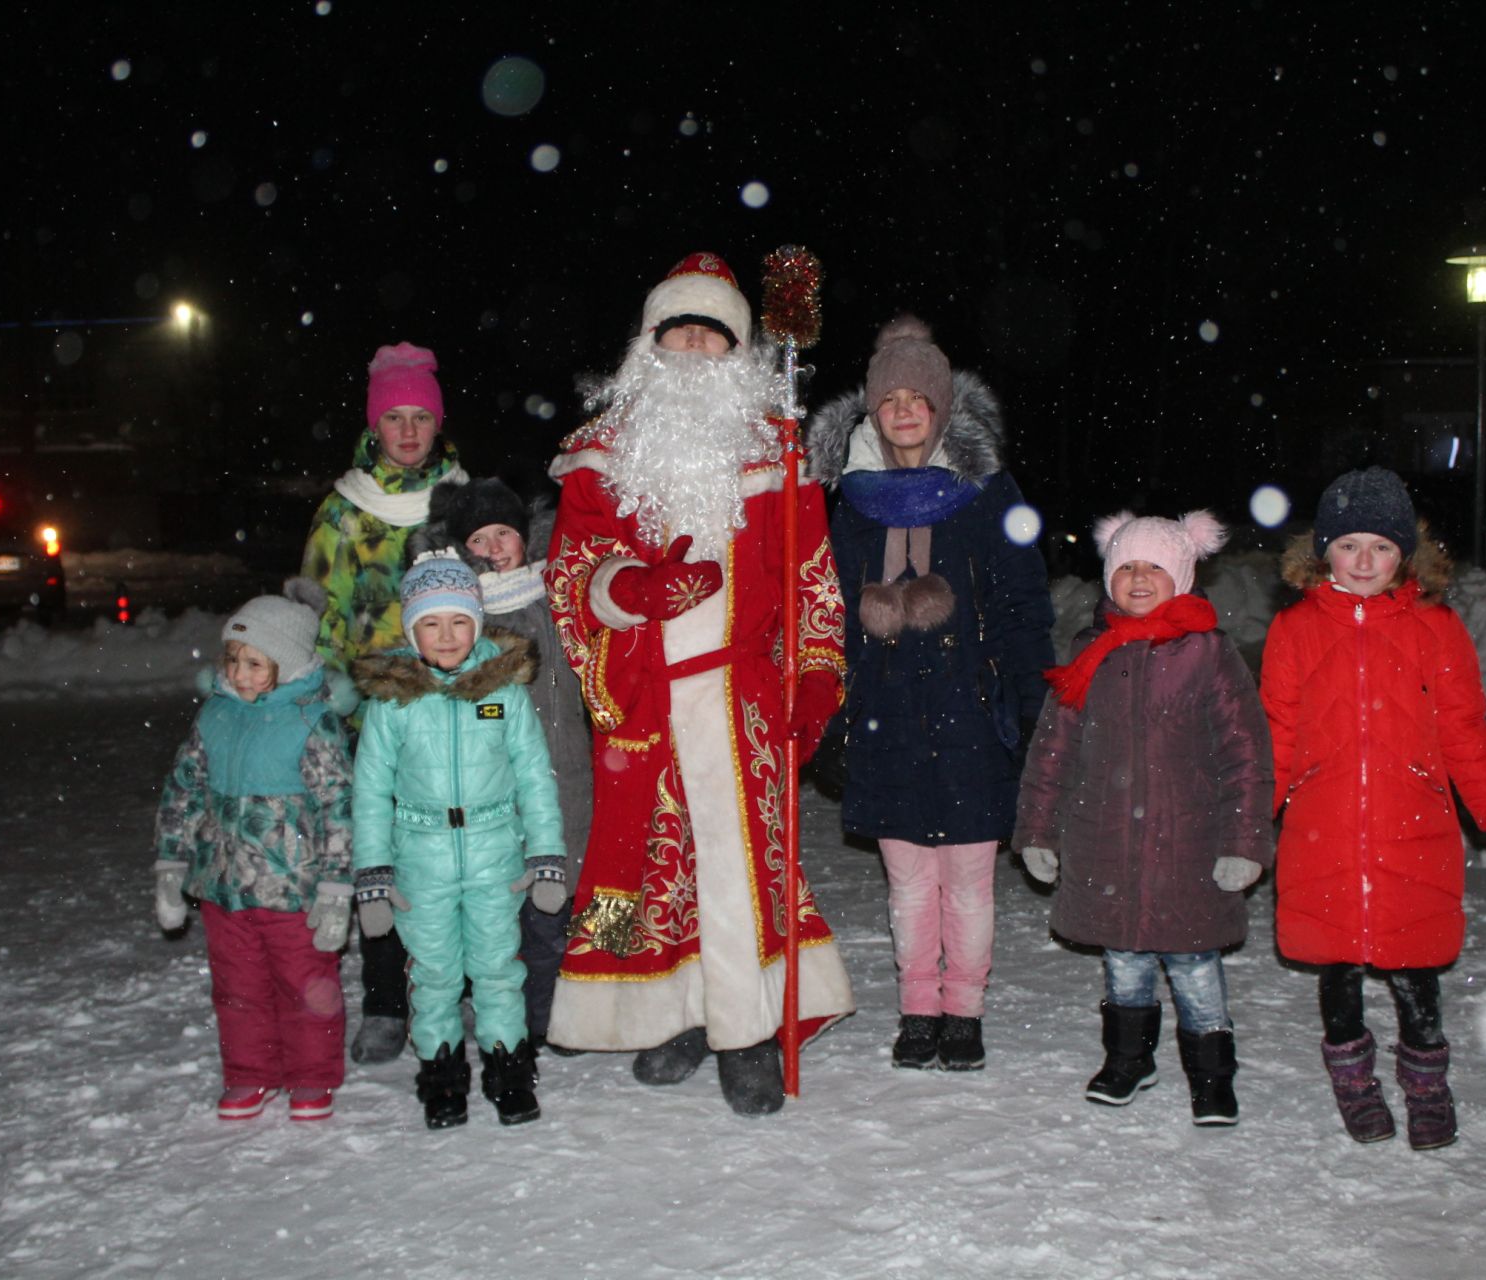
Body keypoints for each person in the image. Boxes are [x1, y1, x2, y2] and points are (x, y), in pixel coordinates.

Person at [543, 251, 855, 1116]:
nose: (691, 350)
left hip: (742, 700)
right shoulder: (600, 456)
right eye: (677, 331)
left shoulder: (778, 457)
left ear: (739, 356)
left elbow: (812, 584)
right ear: (648, 343)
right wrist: (630, 590)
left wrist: (817, 681)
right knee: (643, 872)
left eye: (711, 337)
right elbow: (572, 569)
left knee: (735, 872)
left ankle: (745, 1028)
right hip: (643, 695)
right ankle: (672, 1015)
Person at [806, 316, 1054, 1072]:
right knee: (909, 884)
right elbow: (830, 614)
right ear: (872, 413)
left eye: (919, 397)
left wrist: (1026, 709)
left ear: (943, 409)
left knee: (970, 885)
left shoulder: (987, 493)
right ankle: (919, 1008)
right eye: (890, 400)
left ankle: (965, 1012)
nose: (905, 410)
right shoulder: (849, 502)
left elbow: (1021, 606)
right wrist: (835, 712)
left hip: (971, 715)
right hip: (888, 720)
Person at [1261, 467, 1486, 1150]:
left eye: (1380, 547)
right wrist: (1247, 819)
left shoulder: (1435, 629)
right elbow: (1277, 734)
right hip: (1324, 829)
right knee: (1337, 962)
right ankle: (1353, 1080)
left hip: (1414, 823)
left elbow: (1465, 728)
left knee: (1416, 965)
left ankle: (1426, 1082)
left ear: (1404, 555)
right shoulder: (1295, 631)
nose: (1364, 562)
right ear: (1324, 553)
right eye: (1349, 546)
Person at [1012, 512, 1273, 1125]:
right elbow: (1052, 749)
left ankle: (1212, 1076)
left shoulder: (1209, 655)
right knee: (1124, 959)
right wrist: (1038, 830)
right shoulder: (1091, 652)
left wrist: (1244, 842)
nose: (1138, 577)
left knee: (1192, 964)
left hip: (1189, 842)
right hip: (1108, 841)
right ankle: (1129, 1059)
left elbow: (1245, 753)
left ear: (1180, 575)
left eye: (1154, 566)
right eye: (1126, 565)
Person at [348, 552, 568, 1129]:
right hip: (421, 856)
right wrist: (374, 874)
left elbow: (533, 779)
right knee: (436, 973)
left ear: (477, 622)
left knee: (499, 968)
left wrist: (545, 856)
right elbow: (370, 792)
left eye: (459, 622)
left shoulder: (505, 693)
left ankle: (508, 1070)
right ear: (412, 629)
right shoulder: (393, 701)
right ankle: (442, 1076)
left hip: (497, 852)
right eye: (431, 624)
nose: (447, 637)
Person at [300, 340, 468, 1066]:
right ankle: (385, 1001)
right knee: (384, 859)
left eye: (419, 418)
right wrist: (323, 699)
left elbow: (494, 599)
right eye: (393, 418)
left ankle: (456, 982)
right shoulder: (342, 511)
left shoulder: (464, 499)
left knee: (459, 851)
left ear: (436, 424)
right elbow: (316, 616)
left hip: (453, 709)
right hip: (371, 716)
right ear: (375, 425)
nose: (407, 432)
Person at [151, 578, 357, 1121]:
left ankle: (311, 1079)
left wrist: (337, 891)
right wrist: (171, 868)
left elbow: (339, 809)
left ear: (284, 668)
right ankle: (250, 1075)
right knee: (237, 990)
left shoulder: (313, 723)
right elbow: (184, 790)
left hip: (296, 892)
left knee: (306, 989)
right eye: (234, 660)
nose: (239, 674)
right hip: (224, 889)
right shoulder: (214, 716)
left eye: (254, 663)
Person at [411, 475, 593, 1050]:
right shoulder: (461, 619)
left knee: (572, 900)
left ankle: (571, 1005)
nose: (493, 548)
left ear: (526, 536)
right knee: (511, 912)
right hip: (503, 793)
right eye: (479, 539)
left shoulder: (556, 594)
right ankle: (520, 1014)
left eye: (503, 533)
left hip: (574, 779)